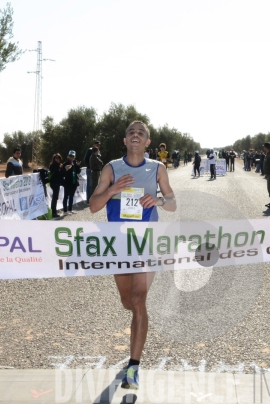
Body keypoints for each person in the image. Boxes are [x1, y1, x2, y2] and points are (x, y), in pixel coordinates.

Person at [89, 121, 176, 390]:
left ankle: (134, 366)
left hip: (146, 241)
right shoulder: (111, 168)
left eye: (141, 133)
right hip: (118, 244)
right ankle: (136, 317)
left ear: (148, 142)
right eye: (131, 133)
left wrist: (159, 200)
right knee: (127, 301)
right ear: (125, 141)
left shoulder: (157, 168)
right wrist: (112, 190)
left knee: (139, 300)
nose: (136, 135)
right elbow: (93, 206)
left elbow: (172, 203)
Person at [62, 150, 81, 215]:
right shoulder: (65, 163)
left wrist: (78, 166)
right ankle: (65, 211)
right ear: (68, 156)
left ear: (74, 157)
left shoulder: (75, 162)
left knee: (71, 196)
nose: (71, 157)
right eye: (70, 156)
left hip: (74, 182)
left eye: (73, 156)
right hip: (67, 182)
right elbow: (62, 172)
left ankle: (70, 209)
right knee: (66, 196)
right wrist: (66, 169)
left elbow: (78, 172)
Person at [48, 154, 64, 218]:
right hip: (54, 183)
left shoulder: (58, 165)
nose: (57, 160)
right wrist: (64, 169)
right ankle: (53, 212)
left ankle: (54, 211)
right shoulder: (53, 165)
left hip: (57, 183)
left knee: (55, 198)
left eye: (58, 158)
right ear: (54, 159)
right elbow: (59, 173)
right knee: (54, 198)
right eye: (56, 158)